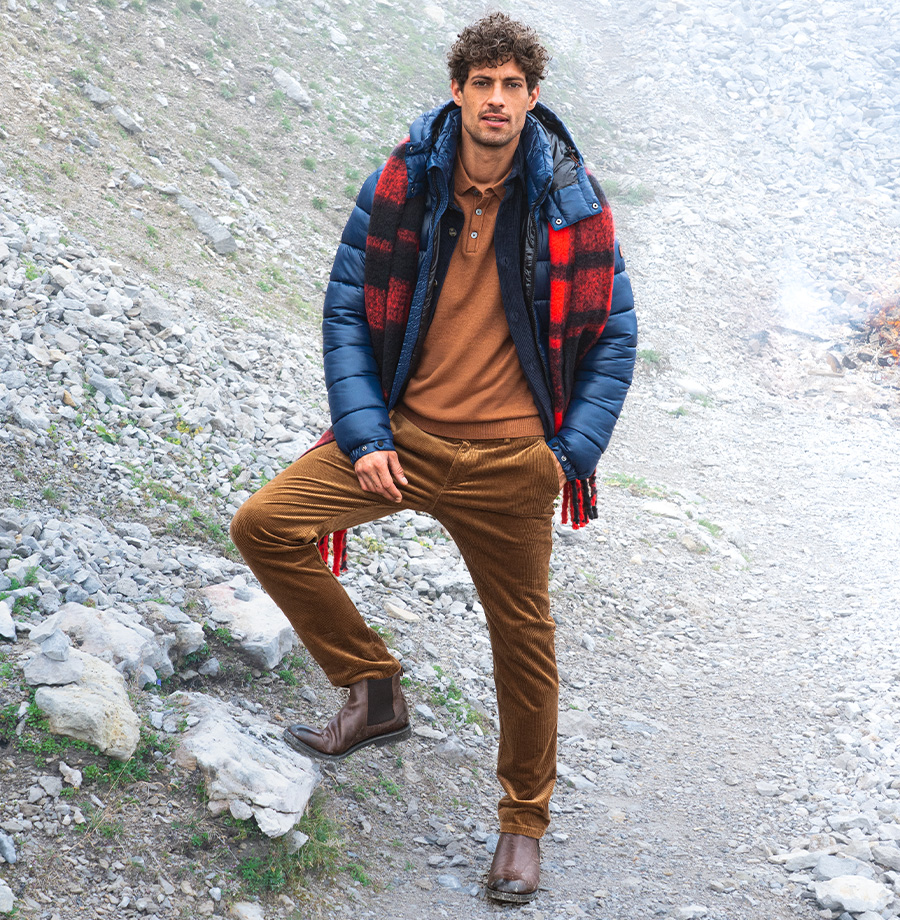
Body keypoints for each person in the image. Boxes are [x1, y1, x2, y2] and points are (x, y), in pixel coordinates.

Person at [230, 12, 636, 903]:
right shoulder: (404, 182)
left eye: (513, 87)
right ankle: (372, 690)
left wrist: (568, 454)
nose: (496, 100)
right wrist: (368, 435)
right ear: (458, 89)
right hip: (400, 443)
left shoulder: (572, 198)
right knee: (266, 524)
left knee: (522, 642)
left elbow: (613, 334)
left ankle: (522, 824)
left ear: (533, 97)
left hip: (510, 465)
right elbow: (345, 311)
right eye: (481, 83)